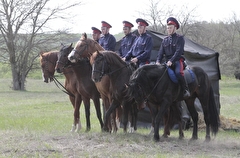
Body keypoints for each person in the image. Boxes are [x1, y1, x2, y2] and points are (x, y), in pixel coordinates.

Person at [156, 17, 190, 98]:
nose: (169, 29)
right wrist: (158, 61)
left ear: (175, 28)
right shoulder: (165, 40)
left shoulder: (180, 38)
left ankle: (185, 90)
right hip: (167, 62)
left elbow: (178, 52)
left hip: (177, 60)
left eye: (170, 28)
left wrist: (171, 60)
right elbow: (160, 52)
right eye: (168, 28)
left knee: (178, 73)